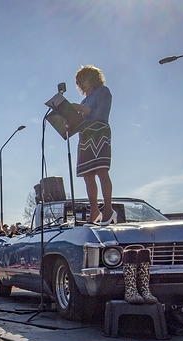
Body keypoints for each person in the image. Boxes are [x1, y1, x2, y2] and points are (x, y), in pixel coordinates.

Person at [71, 65, 114, 225]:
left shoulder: (103, 91)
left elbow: (103, 113)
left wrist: (83, 109)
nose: (80, 84)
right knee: (88, 175)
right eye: (78, 82)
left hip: (99, 133)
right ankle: (94, 210)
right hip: (85, 137)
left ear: (92, 78)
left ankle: (108, 209)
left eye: (82, 80)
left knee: (102, 171)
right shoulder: (84, 100)